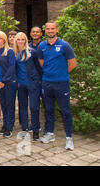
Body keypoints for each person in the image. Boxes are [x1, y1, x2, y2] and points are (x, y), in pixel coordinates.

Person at [37, 21, 77, 150]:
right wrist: (51, 74)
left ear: (57, 30)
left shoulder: (65, 45)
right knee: (48, 110)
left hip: (61, 84)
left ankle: (69, 138)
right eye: (48, 29)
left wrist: (60, 74)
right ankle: (50, 133)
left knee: (66, 111)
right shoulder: (42, 46)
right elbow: (42, 63)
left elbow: (73, 64)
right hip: (47, 83)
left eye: (52, 29)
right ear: (45, 31)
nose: (50, 31)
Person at [14, 32, 42, 141]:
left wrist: (38, 81)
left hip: (32, 83)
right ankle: (25, 128)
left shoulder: (32, 52)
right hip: (21, 84)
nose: (20, 42)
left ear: (26, 40)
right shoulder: (15, 53)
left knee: (34, 107)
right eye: (18, 40)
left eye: (22, 39)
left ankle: (35, 129)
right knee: (23, 107)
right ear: (16, 41)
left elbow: (39, 68)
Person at [0, 31, 17, 138]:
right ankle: (5, 125)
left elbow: (11, 68)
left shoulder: (10, 51)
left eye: (0, 38)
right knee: (3, 105)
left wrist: (3, 80)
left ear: (4, 39)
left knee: (10, 105)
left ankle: (9, 127)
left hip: (9, 83)